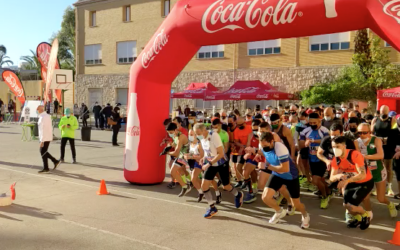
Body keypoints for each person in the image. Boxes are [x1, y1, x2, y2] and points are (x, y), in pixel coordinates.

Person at [259, 132, 310, 228]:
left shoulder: (280, 149)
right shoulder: (262, 145)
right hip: (277, 174)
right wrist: (253, 151)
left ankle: (305, 215)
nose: (263, 147)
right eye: (262, 145)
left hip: (290, 176)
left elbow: (285, 169)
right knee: (265, 197)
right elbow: (264, 153)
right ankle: (279, 211)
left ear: (271, 141)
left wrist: (266, 166)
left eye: (265, 145)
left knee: (296, 204)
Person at [194, 123, 243, 218]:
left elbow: (220, 154)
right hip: (211, 163)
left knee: (226, 186)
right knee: (204, 186)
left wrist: (209, 163)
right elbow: (207, 151)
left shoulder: (214, 136)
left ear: (204, 130)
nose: (197, 135)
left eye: (198, 133)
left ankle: (238, 194)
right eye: (196, 133)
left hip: (221, 163)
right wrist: (203, 158)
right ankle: (212, 208)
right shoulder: (202, 138)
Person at [354, 123, 398, 219]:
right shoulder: (356, 142)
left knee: (380, 198)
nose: (362, 135)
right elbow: (357, 157)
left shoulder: (376, 140)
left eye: (364, 133)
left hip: (378, 171)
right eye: (359, 133)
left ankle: (390, 204)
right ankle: (369, 213)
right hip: (365, 172)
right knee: (365, 196)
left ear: (370, 132)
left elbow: (380, 156)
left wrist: (365, 156)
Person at [330, 136, 374, 230]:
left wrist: (347, 180)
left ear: (344, 146)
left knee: (352, 206)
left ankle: (365, 215)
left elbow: (362, 175)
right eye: (333, 147)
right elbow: (331, 177)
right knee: (346, 205)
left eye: (337, 146)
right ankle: (358, 219)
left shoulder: (355, 155)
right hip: (351, 183)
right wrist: (338, 176)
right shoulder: (336, 159)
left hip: (365, 182)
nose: (335, 149)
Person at [300, 113, 331, 209]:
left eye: (315, 122)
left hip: (322, 159)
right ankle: (328, 192)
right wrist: (304, 143)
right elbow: (301, 144)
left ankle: (324, 197)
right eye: (310, 122)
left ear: (319, 121)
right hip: (311, 159)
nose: (312, 124)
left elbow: (327, 141)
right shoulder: (305, 131)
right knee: (320, 180)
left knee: (315, 180)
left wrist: (313, 141)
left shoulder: (325, 130)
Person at [371, 105, 397, 196]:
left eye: (385, 113)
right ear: (380, 112)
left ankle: (389, 187)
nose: (383, 114)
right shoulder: (375, 120)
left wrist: (387, 140)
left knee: (388, 167)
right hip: (377, 146)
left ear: (388, 112)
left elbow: (395, 134)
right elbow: (371, 133)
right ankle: (377, 188)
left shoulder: (392, 120)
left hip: (388, 147)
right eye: (382, 112)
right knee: (377, 167)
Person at [166, 123, 191, 197]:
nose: (170, 134)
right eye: (168, 133)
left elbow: (176, 153)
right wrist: (167, 147)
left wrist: (167, 153)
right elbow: (174, 144)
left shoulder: (181, 137)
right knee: (181, 171)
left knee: (173, 171)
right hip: (181, 155)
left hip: (185, 156)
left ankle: (184, 186)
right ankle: (190, 182)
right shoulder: (175, 135)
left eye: (171, 132)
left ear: (176, 130)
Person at [37, 105, 61, 173]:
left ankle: (53, 162)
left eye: (37, 109)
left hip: (45, 137)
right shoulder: (46, 116)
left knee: (42, 151)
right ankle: (49, 165)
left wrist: (42, 140)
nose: (37, 110)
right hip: (47, 137)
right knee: (43, 151)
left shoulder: (43, 118)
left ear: (40, 109)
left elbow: (43, 130)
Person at [184, 129, 205, 202]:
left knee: (194, 179)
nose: (190, 136)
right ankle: (201, 192)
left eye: (192, 134)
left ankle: (217, 193)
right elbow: (192, 153)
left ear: (196, 135)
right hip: (195, 163)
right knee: (194, 179)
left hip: (202, 162)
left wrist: (191, 157)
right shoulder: (191, 144)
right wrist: (186, 155)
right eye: (189, 134)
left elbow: (202, 157)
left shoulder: (199, 144)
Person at [233, 117, 253, 188]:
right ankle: (242, 181)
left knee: (250, 169)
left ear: (244, 123)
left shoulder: (250, 128)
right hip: (242, 150)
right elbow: (236, 141)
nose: (240, 126)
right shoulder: (236, 130)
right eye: (238, 125)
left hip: (251, 150)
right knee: (238, 166)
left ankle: (249, 182)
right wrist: (242, 146)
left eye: (241, 125)